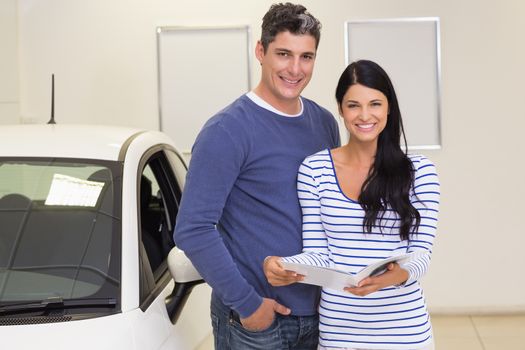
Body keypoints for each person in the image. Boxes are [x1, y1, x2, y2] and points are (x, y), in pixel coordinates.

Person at [174, 3, 340, 349]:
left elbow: (330, 211)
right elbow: (193, 229)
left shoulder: (324, 123)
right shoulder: (227, 130)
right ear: (260, 52)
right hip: (258, 322)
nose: (295, 69)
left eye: (306, 57)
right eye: (283, 54)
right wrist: (248, 305)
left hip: (320, 314)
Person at [264, 60, 440, 350]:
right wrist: (283, 265)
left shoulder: (419, 172)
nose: (365, 115)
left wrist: (394, 277)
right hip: (339, 333)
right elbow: (319, 255)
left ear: (389, 108)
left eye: (375, 104)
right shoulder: (315, 170)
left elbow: (421, 256)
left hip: (404, 332)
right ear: (341, 109)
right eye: (353, 105)